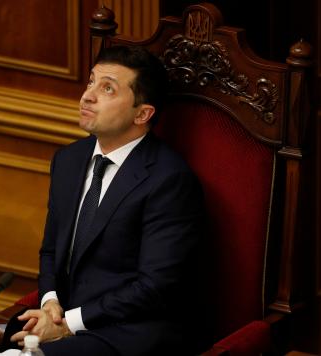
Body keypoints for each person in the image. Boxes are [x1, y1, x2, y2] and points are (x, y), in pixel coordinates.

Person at [11, 45, 210, 355]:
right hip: (70, 319)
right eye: (91, 81)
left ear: (143, 114)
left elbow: (154, 287)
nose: (88, 95)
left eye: (107, 89)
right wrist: (50, 302)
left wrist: (68, 324)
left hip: (130, 332)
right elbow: (51, 250)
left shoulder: (169, 181)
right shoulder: (68, 160)